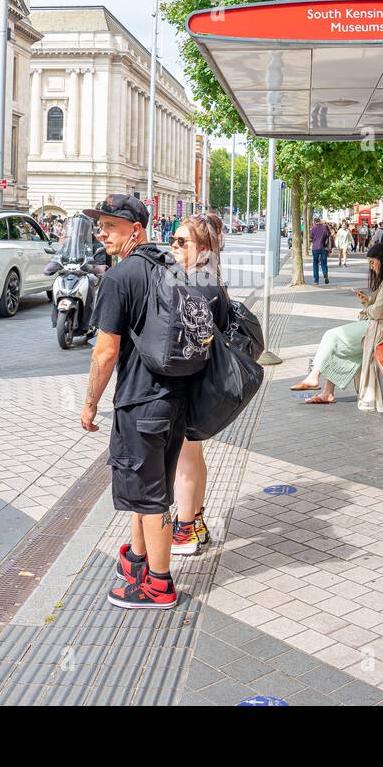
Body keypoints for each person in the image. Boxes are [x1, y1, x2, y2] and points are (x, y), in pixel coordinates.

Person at [81, 194, 188, 610]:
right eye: (100, 226)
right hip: (174, 399)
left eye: (111, 226)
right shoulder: (171, 266)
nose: (102, 233)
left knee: (150, 497)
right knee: (149, 489)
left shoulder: (119, 277)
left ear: (136, 230)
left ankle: (159, 585)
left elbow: (105, 352)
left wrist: (91, 402)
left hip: (140, 402)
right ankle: (138, 560)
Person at [168, 212, 228, 557]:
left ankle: (185, 530)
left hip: (190, 383)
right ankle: (197, 521)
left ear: (202, 248)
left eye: (182, 241)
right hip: (203, 383)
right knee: (194, 454)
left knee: (184, 459)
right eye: (173, 240)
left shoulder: (195, 284)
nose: (174, 246)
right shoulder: (211, 277)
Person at [291, 243, 383, 411]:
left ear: (382, 260)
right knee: (339, 347)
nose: (371, 267)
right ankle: (327, 393)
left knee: (331, 336)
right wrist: (367, 302)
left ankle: (314, 376)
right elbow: (380, 308)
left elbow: (379, 311)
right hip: (382, 327)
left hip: (380, 329)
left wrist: (368, 308)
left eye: (372, 262)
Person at [309, 216, 330, 285]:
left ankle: (316, 280)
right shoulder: (324, 228)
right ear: (320, 221)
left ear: (314, 222)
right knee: (324, 263)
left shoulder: (313, 228)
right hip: (323, 248)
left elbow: (310, 238)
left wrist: (313, 240)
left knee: (315, 264)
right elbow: (327, 236)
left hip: (315, 248)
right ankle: (325, 274)